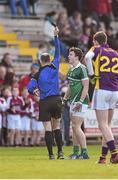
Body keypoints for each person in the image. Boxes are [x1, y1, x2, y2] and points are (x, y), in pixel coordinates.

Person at [85, 31, 118, 164]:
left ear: (96, 41)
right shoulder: (115, 53)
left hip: (102, 89)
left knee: (102, 124)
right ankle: (103, 157)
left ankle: (114, 153)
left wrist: (91, 75)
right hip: (115, 91)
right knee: (107, 125)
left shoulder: (96, 49)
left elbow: (87, 58)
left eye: (93, 41)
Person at [27, 27, 64, 160]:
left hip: (44, 102)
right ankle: (60, 152)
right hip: (56, 100)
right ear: (50, 59)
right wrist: (56, 36)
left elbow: (29, 86)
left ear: (40, 62)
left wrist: (33, 90)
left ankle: (51, 155)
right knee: (57, 126)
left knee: (47, 128)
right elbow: (58, 51)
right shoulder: (55, 66)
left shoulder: (36, 74)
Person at [64, 47, 89, 159]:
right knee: (73, 127)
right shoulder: (71, 69)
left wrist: (80, 101)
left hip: (80, 101)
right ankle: (75, 152)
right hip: (72, 101)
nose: (69, 56)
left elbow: (86, 86)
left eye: (71, 54)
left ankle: (84, 152)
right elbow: (70, 86)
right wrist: (65, 99)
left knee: (77, 126)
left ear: (77, 57)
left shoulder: (82, 68)